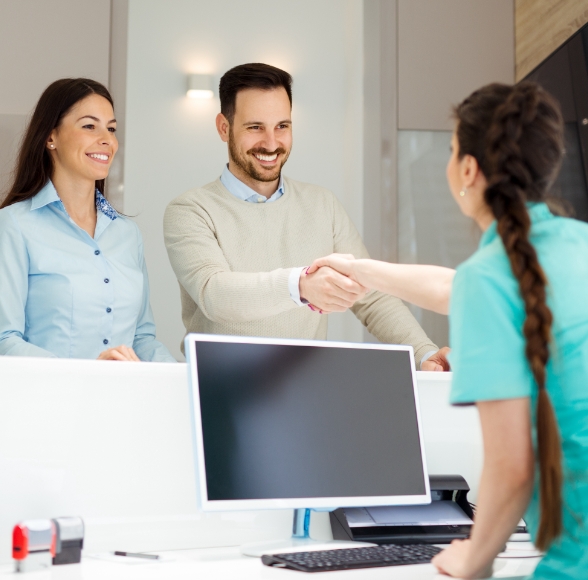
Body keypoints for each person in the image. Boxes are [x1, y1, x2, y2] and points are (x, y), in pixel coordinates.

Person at [309, 81, 588, 578]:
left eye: (453, 148)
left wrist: (473, 556)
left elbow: (511, 465)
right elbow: (451, 287)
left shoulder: (492, 278)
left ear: (467, 169)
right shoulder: (574, 245)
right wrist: (361, 268)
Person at [163, 63, 448, 370]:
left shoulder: (323, 205)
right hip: (218, 389)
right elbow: (215, 294)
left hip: (305, 389)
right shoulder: (190, 210)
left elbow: (371, 296)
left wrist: (423, 352)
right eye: (255, 127)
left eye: (282, 126)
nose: (271, 144)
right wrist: (300, 285)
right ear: (223, 127)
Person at [0, 78, 175, 362]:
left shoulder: (127, 234)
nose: (107, 139)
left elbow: (141, 338)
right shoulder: (14, 225)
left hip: (121, 401)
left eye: (112, 128)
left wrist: (180, 377)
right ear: (50, 137)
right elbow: (5, 340)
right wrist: (86, 375)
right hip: (45, 402)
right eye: (89, 126)